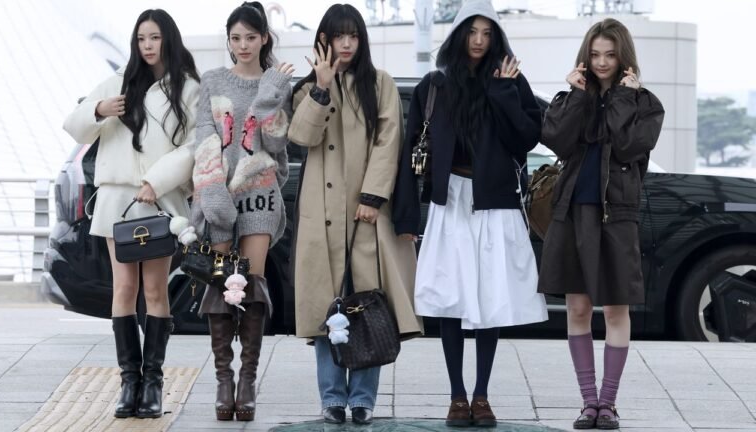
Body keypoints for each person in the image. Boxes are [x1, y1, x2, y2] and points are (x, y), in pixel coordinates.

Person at [392, 0, 548, 427]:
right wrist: (408, 217)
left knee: (490, 301)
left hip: (495, 203)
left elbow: (528, 139)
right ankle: (457, 396)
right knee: (451, 300)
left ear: (496, 37)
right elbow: (409, 150)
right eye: (472, 32)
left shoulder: (510, 81)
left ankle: (482, 395)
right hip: (450, 202)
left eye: (487, 33)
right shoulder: (435, 84)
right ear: (459, 33)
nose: (479, 41)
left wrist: (502, 92)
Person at [288, 3, 421, 425]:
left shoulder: (378, 83)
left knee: (368, 306)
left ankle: (362, 398)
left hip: (366, 213)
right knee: (328, 309)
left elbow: (389, 141)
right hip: (320, 213)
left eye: (353, 36)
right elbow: (301, 135)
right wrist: (322, 89)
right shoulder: (307, 88)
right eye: (337, 36)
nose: (346, 44)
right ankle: (331, 398)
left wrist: (372, 195)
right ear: (323, 40)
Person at [63, 9, 199, 419]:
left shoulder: (188, 89)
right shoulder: (117, 82)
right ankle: (130, 382)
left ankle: (153, 383)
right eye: (141, 38)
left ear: (168, 39)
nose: (147, 45)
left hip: (158, 200)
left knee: (155, 291)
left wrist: (156, 181)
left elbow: (194, 147)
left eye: (154, 37)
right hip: (117, 201)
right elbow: (74, 125)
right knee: (123, 289)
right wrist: (100, 109)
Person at [536, 18, 664, 430]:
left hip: (617, 215)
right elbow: (555, 139)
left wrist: (623, 98)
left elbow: (628, 146)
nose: (602, 62)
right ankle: (587, 402)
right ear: (585, 56)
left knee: (614, 309)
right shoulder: (571, 97)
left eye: (610, 55)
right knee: (576, 307)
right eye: (595, 54)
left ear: (623, 57)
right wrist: (577, 96)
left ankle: (608, 403)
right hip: (572, 211)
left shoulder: (645, 104)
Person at [190, 1, 292, 422]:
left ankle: (247, 380)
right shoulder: (212, 79)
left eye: (251, 37)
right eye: (236, 38)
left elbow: (276, 143)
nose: (243, 45)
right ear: (228, 40)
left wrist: (270, 93)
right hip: (219, 194)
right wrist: (212, 194)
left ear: (264, 37)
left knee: (251, 283)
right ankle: (223, 379)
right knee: (221, 283)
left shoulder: (277, 81)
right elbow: (204, 137)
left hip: (261, 192)